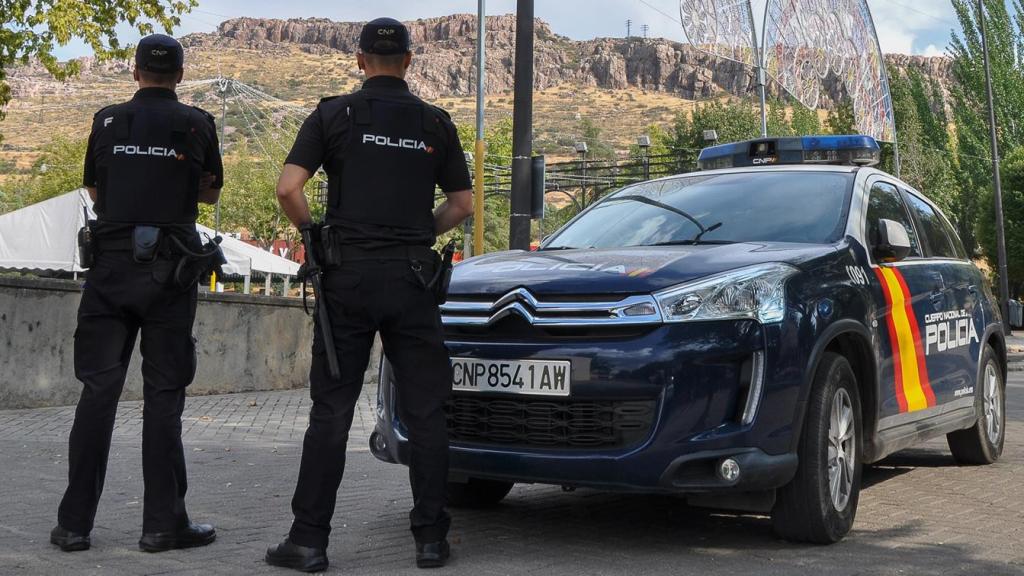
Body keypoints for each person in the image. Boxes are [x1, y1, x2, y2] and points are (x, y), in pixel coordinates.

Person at [266, 17, 473, 573]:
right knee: (428, 411)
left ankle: (308, 541)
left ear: (360, 61)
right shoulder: (436, 122)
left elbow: (289, 188)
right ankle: (431, 539)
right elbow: (462, 205)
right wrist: (415, 236)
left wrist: (314, 237)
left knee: (331, 411)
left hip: (347, 278)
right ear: (409, 61)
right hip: (411, 280)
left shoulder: (334, 113)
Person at [51, 34, 224, 554]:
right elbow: (211, 190)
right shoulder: (197, 123)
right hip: (170, 273)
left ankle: (74, 526)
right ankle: (161, 526)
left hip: (110, 271)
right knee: (163, 399)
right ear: (179, 74)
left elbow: (96, 191)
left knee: (97, 396)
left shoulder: (106, 120)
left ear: (134, 73)